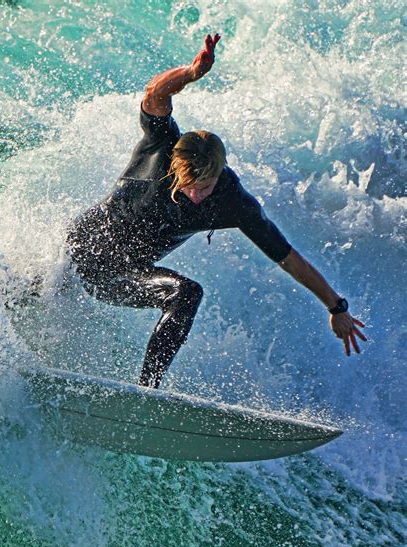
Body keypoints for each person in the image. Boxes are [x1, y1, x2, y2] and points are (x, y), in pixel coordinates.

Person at [67, 33, 366, 389]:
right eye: (188, 185)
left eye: (204, 187)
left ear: (219, 175)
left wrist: (336, 307)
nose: (195, 195)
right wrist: (190, 74)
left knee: (186, 293)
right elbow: (154, 96)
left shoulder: (233, 202)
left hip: (120, 276)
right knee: (33, 289)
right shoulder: (162, 147)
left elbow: (286, 256)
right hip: (77, 251)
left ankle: (147, 391)